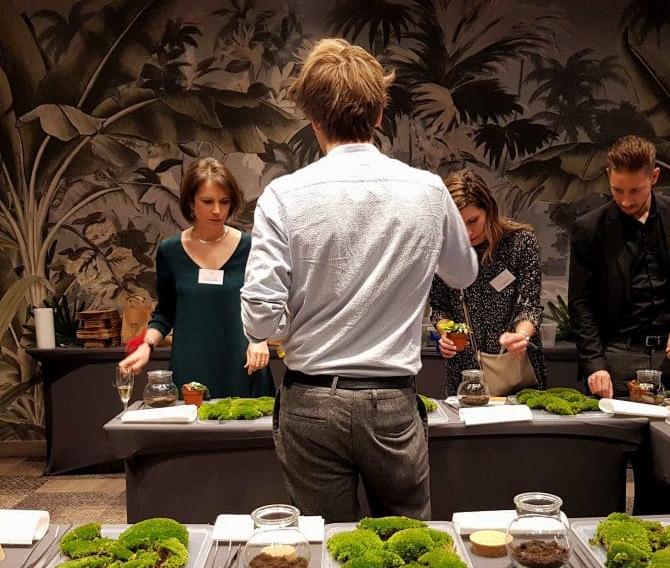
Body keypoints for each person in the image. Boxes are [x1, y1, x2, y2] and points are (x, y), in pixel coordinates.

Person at [240, 38, 477, 522]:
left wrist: (285, 324)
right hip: (392, 400)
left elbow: (261, 318)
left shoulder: (283, 195)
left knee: (324, 543)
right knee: (408, 543)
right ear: (379, 115)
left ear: (314, 119)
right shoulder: (428, 191)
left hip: (311, 400)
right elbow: (463, 273)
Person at [120, 157, 275, 399]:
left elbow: (269, 302)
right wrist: (145, 346)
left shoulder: (250, 248)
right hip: (191, 366)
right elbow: (165, 314)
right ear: (191, 202)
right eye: (208, 201)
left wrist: (261, 339)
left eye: (224, 202)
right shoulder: (170, 251)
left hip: (244, 364)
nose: (217, 210)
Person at [568, 135, 670, 398]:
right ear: (608, 175)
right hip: (617, 357)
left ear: (654, 176)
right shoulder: (589, 229)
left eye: (635, 191)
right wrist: (594, 363)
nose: (626, 201)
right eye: (617, 190)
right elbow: (580, 303)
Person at [430, 168, 546, 396]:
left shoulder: (520, 242)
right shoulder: (444, 250)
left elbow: (529, 306)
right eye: (457, 225)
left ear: (489, 209)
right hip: (465, 372)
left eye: (473, 220)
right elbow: (440, 308)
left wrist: (521, 336)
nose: (468, 232)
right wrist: (447, 335)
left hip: (516, 367)